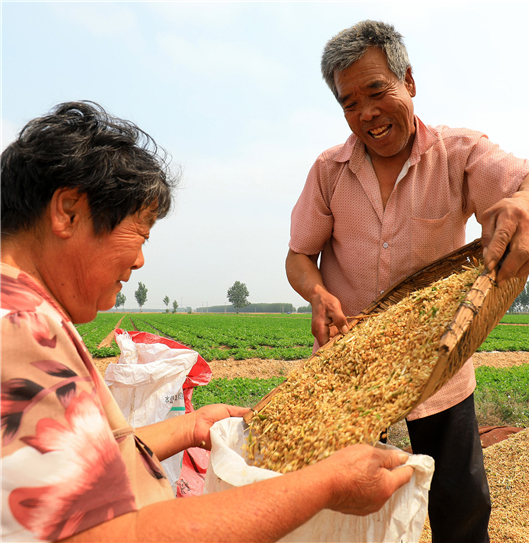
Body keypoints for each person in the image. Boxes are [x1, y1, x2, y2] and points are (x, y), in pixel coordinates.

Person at [1, 101, 413, 543]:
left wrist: (193, 427)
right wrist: (324, 485)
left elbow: (77, 464)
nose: (140, 261)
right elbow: (107, 534)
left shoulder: (22, 311)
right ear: (68, 212)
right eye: (140, 234)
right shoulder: (21, 328)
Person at [286, 20, 529, 543]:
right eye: (350, 103)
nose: (366, 113)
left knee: (461, 505)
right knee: (342, 511)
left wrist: (524, 207)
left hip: (439, 363)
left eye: (377, 90)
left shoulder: (458, 154)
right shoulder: (329, 170)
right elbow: (299, 255)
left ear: (409, 81)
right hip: (351, 364)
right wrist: (318, 293)